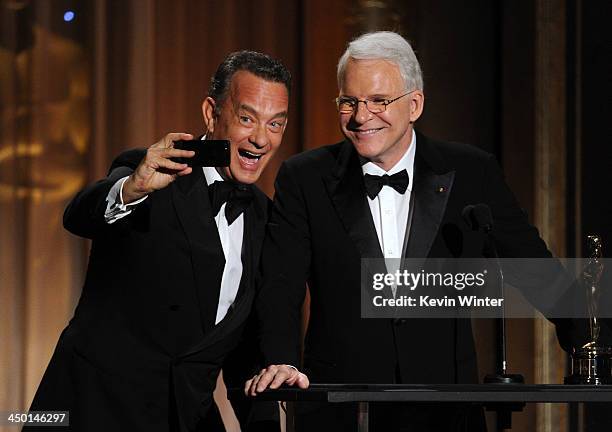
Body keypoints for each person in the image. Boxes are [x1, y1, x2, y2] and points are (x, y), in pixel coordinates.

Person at [246, 31, 582, 431]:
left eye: (378, 101)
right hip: (341, 411)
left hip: (446, 408)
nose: (360, 116)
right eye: (349, 102)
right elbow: (279, 286)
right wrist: (280, 360)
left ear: (415, 104)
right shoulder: (305, 177)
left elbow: (531, 265)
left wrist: (593, 340)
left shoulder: (472, 171)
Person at [26, 50, 290, 432]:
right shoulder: (153, 176)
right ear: (211, 113)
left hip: (188, 416)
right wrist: (130, 189)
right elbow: (79, 216)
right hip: (93, 409)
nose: (261, 139)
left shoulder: (267, 218)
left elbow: (244, 350)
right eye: (247, 118)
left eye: (276, 124)